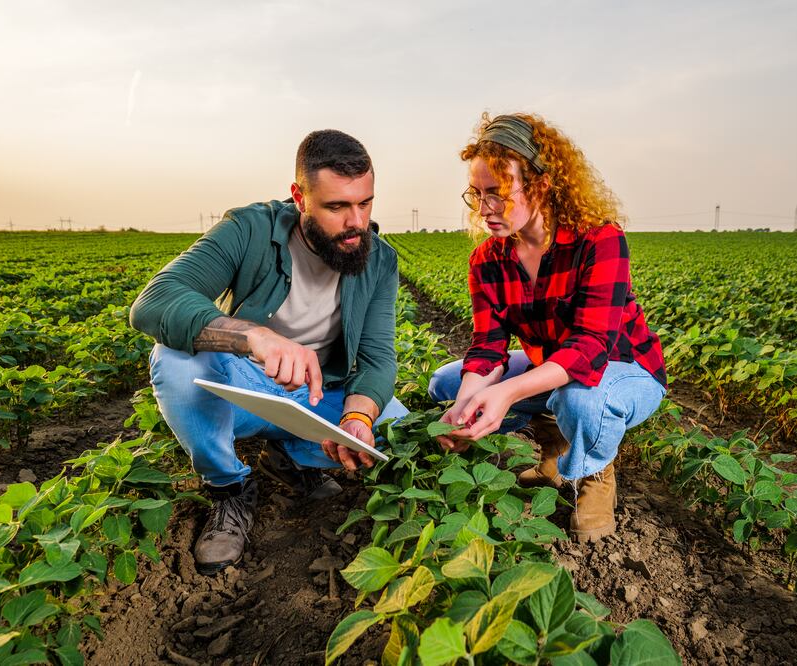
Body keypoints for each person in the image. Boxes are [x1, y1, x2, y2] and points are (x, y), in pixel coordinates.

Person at [130, 129, 407, 574]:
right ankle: (229, 489)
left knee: (397, 426)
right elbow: (156, 301)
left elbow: (377, 358)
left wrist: (357, 418)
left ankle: (291, 455)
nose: (356, 222)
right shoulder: (249, 228)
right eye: (336, 207)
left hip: (319, 395)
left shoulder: (379, 259)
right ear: (300, 197)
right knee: (174, 361)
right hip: (243, 387)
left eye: (365, 202)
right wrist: (254, 338)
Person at [429, 113, 667, 542]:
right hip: (553, 369)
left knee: (579, 399)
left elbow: (591, 347)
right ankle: (554, 453)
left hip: (625, 369)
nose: (485, 210)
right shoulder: (488, 259)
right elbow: (488, 346)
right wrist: (467, 404)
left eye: (498, 194)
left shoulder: (599, 240)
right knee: (447, 384)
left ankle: (594, 473)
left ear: (539, 184)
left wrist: (504, 392)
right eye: (477, 195)